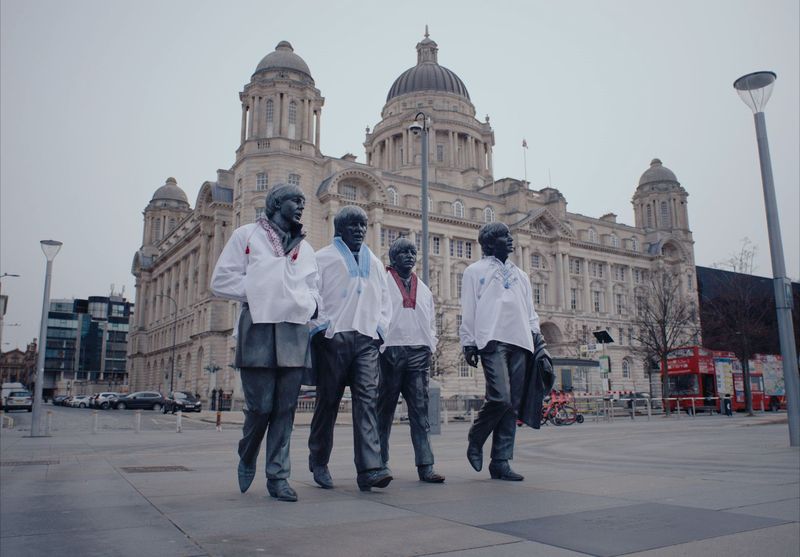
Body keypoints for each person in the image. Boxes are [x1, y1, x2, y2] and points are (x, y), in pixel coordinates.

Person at [210, 183, 319, 502]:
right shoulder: (246, 235)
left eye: (303, 201)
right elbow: (221, 281)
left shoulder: (307, 248)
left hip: (294, 330)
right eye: (294, 201)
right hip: (257, 326)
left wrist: (308, 303)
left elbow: (314, 288)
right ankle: (247, 452)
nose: (300, 206)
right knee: (259, 408)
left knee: (285, 410)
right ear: (275, 203)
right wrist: (264, 292)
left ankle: (278, 475)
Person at [307, 205, 393, 492]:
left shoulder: (376, 263)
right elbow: (312, 295)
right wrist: (323, 328)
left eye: (362, 225)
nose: (358, 230)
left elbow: (385, 302)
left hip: (367, 340)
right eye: (352, 225)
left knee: (367, 402)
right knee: (327, 402)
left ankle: (370, 469)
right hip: (334, 339)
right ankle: (319, 460)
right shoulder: (322, 258)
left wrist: (380, 330)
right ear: (339, 228)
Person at [459, 221, 544, 481]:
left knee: (512, 405)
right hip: (491, 340)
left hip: (520, 341)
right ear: (489, 242)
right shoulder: (474, 271)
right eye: (504, 236)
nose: (510, 240)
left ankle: (501, 461)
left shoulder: (522, 275)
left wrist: (537, 338)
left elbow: (530, 312)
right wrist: (468, 341)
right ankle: (477, 436)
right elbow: (469, 308)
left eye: (510, 236)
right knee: (500, 398)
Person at [377, 238, 445, 484]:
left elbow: (430, 322)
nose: (408, 256)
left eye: (412, 252)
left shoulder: (423, 288)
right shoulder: (383, 282)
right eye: (403, 252)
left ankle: (426, 465)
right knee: (383, 412)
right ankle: (379, 463)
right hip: (390, 351)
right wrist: (380, 345)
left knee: (420, 412)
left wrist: (431, 346)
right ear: (393, 257)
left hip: (418, 352)